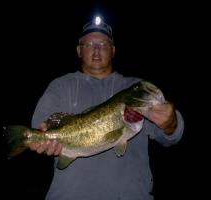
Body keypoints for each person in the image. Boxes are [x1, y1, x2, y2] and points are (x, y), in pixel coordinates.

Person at [30, 16, 184, 200]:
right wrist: (41, 141)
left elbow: (170, 137)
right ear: (79, 50)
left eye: (103, 44)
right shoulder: (61, 86)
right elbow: (39, 129)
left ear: (113, 50)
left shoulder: (135, 88)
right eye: (89, 44)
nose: (96, 50)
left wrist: (171, 123)